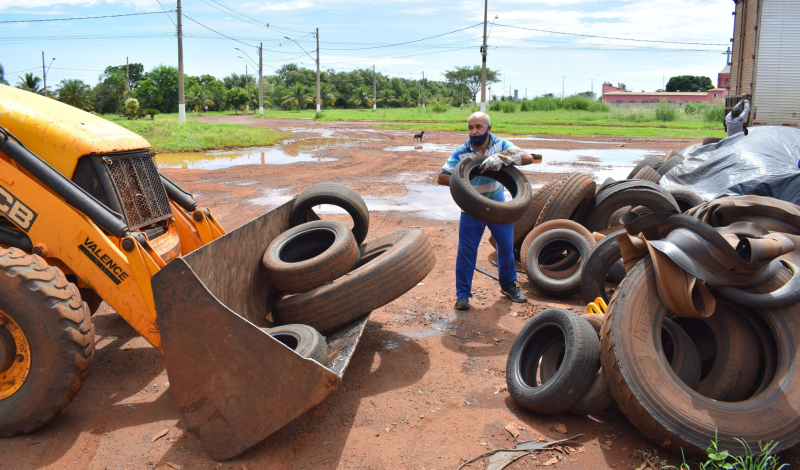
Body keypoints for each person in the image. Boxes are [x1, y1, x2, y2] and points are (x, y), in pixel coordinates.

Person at [437, 112, 536, 311]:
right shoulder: (462, 151)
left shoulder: (500, 145)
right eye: (470, 127)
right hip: (472, 208)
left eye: (479, 127)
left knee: (506, 248)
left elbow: (528, 158)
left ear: (489, 129)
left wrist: (503, 158)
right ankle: (462, 295)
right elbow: (441, 177)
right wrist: (465, 176)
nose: (474, 131)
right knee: (466, 251)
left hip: (499, 206)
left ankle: (509, 286)